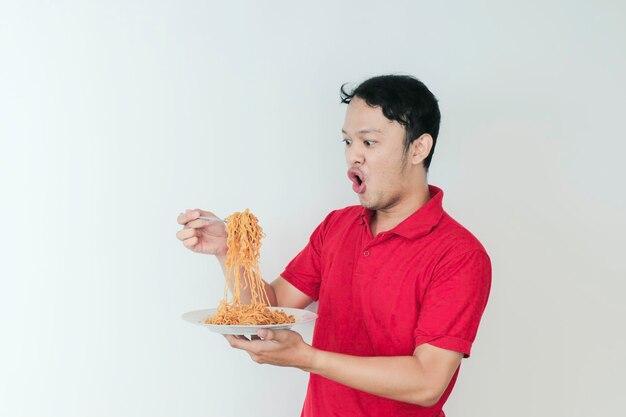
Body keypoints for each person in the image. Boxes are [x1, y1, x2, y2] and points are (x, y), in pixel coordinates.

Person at [176, 75, 491, 417]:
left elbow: (428, 382)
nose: (353, 156)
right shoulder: (336, 227)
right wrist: (230, 251)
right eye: (347, 141)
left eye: (369, 142)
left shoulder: (459, 255)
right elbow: (274, 306)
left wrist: (307, 358)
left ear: (418, 148)